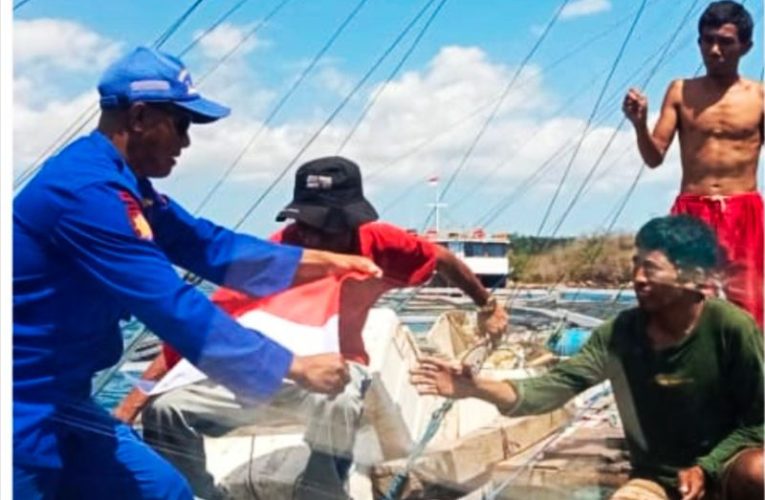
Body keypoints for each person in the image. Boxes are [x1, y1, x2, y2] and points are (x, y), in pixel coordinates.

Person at [13, 48, 382, 500]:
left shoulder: (125, 186)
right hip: (19, 407)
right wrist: (295, 366)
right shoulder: (85, 194)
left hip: (66, 397)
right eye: (182, 124)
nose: (186, 143)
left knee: (167, 490)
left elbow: (208, 245)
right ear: (141, 117)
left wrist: (326, 263)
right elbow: (171, 306)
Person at [118, 156, 509, 499]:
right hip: (267, 372)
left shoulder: (382, 243)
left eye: (322, 227)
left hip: (337, 371)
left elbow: (442, 258)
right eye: (302, 223)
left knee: (340, 396)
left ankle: (319, 492)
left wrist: (487, 305)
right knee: (167, 410)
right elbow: (202, 325)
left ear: (353, 222)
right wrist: (132, 404)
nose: (307, 236)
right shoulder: (279, 252)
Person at [411, 215, 764, 500]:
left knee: (759, 472)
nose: (637, 278)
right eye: (635, 265)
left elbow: (759, 422)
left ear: (695, 277)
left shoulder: (730, 326)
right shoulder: (618, 335)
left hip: (727, 468)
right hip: (660, 482)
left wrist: (708, 467)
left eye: (652, 268)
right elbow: (550, 388)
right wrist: (474, 387)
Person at [622, 1, 763, 327]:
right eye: (707, 40)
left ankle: (749, 373)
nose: (714, 50)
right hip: (692, 211)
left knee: (749, 305)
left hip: (744, 210)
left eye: (725, 42)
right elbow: (654, 157)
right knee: (683, 301)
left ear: (746, 46)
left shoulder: (759, 96)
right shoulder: (680, 91)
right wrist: (639, 124)